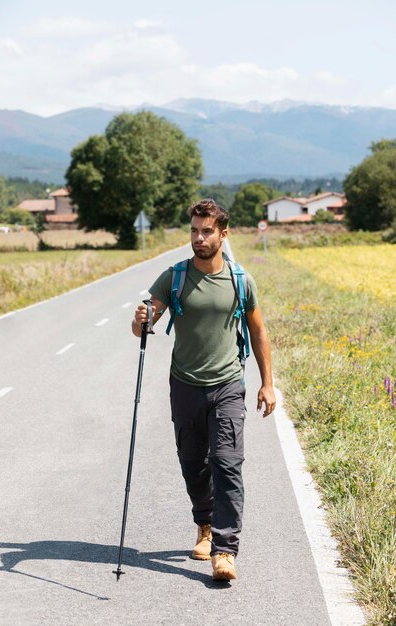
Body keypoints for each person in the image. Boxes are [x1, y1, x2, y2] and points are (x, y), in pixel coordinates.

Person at [132, 198, 276, 581]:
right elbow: (145, 324)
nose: (198, 238)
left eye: (206, 231)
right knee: (193, 463)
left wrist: (268, 383)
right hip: (185, 385)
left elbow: (259, 331)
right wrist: (141, 319)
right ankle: (206, 525)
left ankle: (225, 550)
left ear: (223, 234)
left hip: (228, 383)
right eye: (194, 230)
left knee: (227, 464)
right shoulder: (174, 277)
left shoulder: (240, 280)